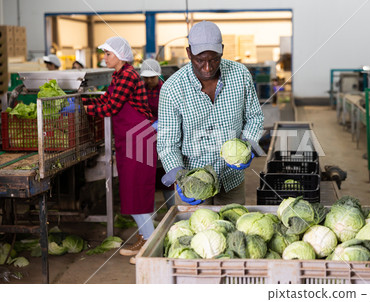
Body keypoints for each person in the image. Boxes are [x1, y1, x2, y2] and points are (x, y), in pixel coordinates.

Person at [157, 21, 264, 206]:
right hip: (194, 181)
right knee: (196, 232)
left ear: (222, 50)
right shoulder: (172, 89)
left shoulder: (240, 75)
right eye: (200, 60)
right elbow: (167, 142)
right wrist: (178, 176)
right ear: (189, 53)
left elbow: (254, 117)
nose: (207, 67)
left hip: (232, 179)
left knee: (233, 229)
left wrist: (249, 146)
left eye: (214, 59)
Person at [82, 37, 158, 265]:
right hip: (130, 138)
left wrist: (83, 108)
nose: (104, 57)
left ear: (120, 55)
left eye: (108, 54)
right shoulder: (119, 75)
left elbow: (111, 107)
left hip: (139, 138)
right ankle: (146, 236)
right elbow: (107, 99)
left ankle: (151, 244)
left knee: (137, 191)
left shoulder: (127, 75)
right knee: (133, 191)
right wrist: (81, 99)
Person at [140, 58, 175, 209]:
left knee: (166, 176)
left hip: (163, 138)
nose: (148, 80)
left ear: (158, 75)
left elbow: (172, 113)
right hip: (145, 138)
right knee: (148, 179)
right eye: (145, 77)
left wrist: (160, 125)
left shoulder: (166, 90)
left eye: (151, 77)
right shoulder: (140, 91)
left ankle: (172, 210)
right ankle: (151, 213)